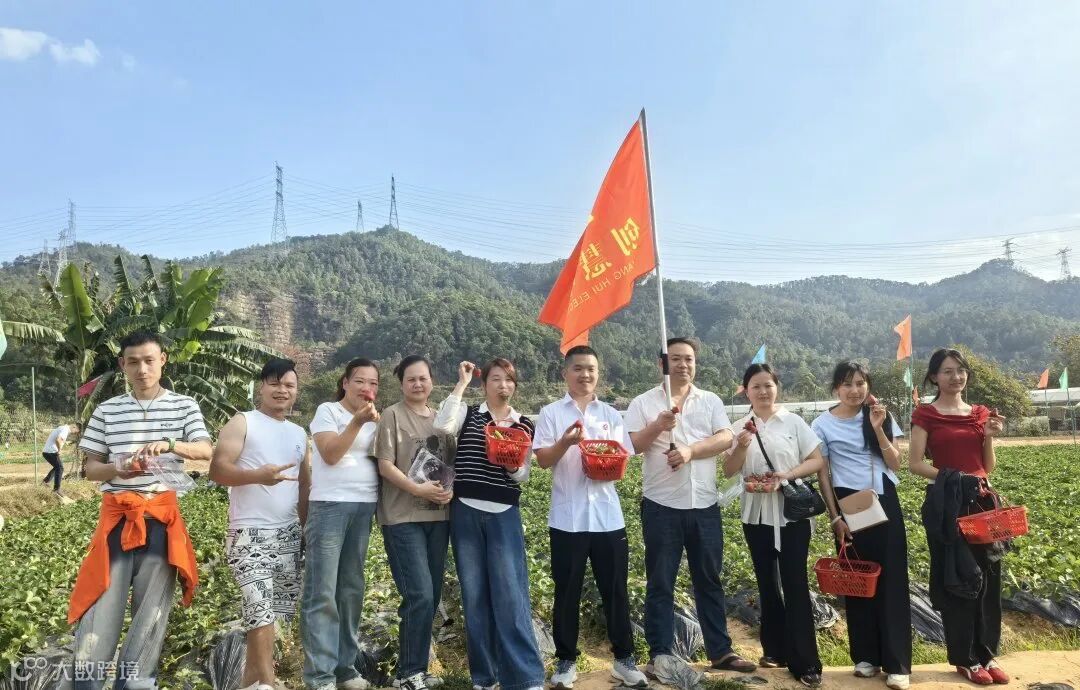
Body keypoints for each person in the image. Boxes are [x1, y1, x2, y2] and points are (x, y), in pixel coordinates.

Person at [69, 330, 213, 690]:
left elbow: (204, 450)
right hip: (118, 519)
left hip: (160, 520)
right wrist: (118, 468)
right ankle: (86, 684)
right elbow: (91, 469)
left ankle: (135, 685)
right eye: (133, 362)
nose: (142, 369)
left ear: (163, 360)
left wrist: (169, 443)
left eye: (149, 360)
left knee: (151, 615)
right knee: (100, 609)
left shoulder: (184, 406)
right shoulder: (107, 410)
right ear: (122, 365)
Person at [624, 338, 756, 675]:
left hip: (704, 505)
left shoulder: (709, 400)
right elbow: (632, 445)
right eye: (676, 359)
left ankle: (720, 652)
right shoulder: (643, 402)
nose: (683, 365)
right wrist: (658, 426)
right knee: (661, 581)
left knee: (709, 579)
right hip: (662, 506)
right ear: (662, 364)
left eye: (689, 359)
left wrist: (689, 451)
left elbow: (725, 438)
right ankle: (660, 653)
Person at [533, 345, 648, 690]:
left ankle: (624, 660)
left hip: (608, 518)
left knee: (615, 591)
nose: (585, 374)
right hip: (567, 519)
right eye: (578, 368)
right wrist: (567, 443)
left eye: (591, 369)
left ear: (598, 374)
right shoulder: (551, 413)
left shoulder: (611, 414)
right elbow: (543, 460)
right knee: (566, 591)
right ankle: (566, 661)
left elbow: (621, 460)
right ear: (565, 373)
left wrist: (605, 461)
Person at [435, 358, 545, 690]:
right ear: (484, 385)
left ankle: (525, 677)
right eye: (496, 379)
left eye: (509, 380)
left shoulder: (523, 424)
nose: (503, 385)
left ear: (515, 386)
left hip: (504, 511)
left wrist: (509, 461)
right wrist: (461, 383)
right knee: (475, 595)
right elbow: (443, 427)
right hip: (465, 510)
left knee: (511, 594)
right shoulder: (470, 414)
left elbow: (523, 474)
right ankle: (485, 677)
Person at [909, 348, 1008, 686]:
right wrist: (955, 479)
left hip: (982, 502)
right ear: (934, 377)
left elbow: (987, 466)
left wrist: (989, 437)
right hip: (947, 506)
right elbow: (916, 464)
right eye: (948, 371)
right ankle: (965, 658)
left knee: (989, 578)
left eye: (961, 370)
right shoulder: (926, 414)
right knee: (959, 578)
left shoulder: (980, 413)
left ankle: (987, 653)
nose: (956, 377)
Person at [724, 363, 824, 688]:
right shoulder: (739, 427)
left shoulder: (793, 422)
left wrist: (787, 475)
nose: (763, 391)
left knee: (795, 583)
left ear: (776, 387)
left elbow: (817, 460)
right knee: (767, 583)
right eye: (756, 386)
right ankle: (775, 650)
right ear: (746, 391)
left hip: (791, 515)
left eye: (768, 385)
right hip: (755, 515)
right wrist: (741, 446)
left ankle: (806, 662)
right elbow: (729, 470)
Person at [209, 358, 307, 690]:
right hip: (249, 532)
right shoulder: (243, 422)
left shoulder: (298, 433)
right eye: (275, 383)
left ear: (296, 391)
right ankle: (267, 681)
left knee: (271, 612)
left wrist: (306, 528)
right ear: (261, 387)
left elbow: (304, 485)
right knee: (259, 605)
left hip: (289, 532)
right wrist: (257, 476)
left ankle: (252, 681)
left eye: (289, 385)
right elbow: (218, 470)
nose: (282, 390)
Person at [813, 362, 911, 690]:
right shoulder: (822, 424)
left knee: (892, 579)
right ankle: (866, 656)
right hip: (849, 503)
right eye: (847, 384)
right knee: (856, 578)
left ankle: (897, 664)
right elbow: (823, 474)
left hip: (883, 499)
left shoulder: (879, 414)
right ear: (835, 389)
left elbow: (896, 463)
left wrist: (878, 429)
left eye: (860, 383)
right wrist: (835, 517)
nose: (854, 390)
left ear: (867, 385)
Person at [373, 355, 455, 690]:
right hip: (402, 517)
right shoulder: (392, 415)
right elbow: (385, 465)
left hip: (439, 516)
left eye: (423, 378)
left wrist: (449, 490)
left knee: (431, 596)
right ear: (402, 383)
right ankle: (407, 673)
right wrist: (417, 488)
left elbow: (451, 464)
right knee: (418, 593)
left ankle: (416, 669)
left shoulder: (442, 419)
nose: (418, 384)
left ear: (432, 381)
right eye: (411, 379)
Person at [301, 357, 382, 690]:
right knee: (322, 591)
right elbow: (331, 454)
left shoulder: (376, 419)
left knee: (350, 589)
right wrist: (357, 422)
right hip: (330, 505)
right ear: (345, 383)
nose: (366, 388)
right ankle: (320, 676)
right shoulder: (328, 411)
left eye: (373, 383)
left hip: (364, 506)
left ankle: (345, 669)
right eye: (360, 380)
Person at [42, 422, 81, 494]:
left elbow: (59, 439)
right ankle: (56, 489)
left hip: (47, 451)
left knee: (57, 467)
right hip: (51, 451)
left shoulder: (62, 428)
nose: (74, 434)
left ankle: (45, 482)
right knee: (60, 468)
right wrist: (59, 450)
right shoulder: (65, 430)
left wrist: (65, 443)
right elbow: (58, 439)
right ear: (74, 427)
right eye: (75, 432)